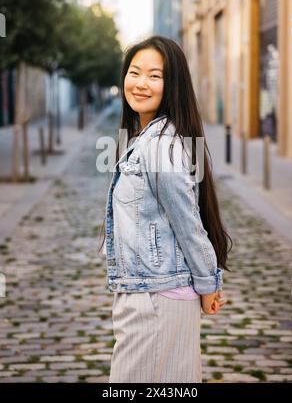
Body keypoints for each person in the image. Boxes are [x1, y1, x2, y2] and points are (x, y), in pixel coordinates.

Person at [98, 35, 231, 383]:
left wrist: (208, 284)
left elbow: (189, 224)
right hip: (156, 294)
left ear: (171, 84)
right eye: (135, 72)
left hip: (155, 298)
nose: (140, 83)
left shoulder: (158, 146)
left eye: (154, 76)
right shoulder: (154, 138)